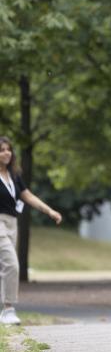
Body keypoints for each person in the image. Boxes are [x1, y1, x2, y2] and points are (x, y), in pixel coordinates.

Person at [0, 136, 62, 325]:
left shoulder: (14, 176)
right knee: (12, 264)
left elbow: (28, 197)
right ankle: (8, 309)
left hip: (12, 223)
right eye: (2, 149)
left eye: (8, 149)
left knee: (4, 266)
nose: (6, 153)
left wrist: (50, 211)